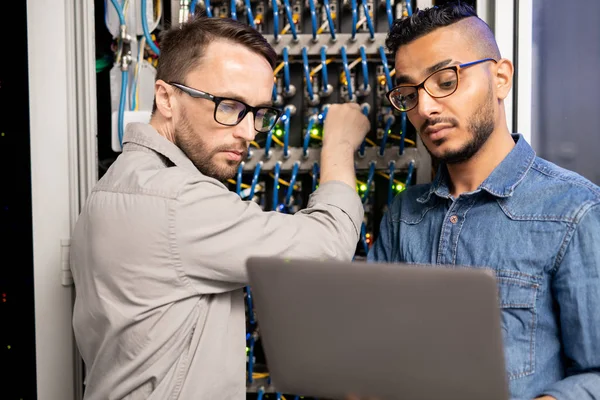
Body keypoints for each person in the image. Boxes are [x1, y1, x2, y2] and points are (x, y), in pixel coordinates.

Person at [70, 16, 370, 400]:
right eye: (229, 106)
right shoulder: (175, 201)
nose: (247, 133)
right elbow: (328, 246)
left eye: (259, 113)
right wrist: (340, 145)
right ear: (166, 98)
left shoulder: (115, 186)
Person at [368, 2, 600, 400]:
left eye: (445, 81)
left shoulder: (574, 210)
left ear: (501, 79)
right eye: (409, 93)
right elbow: (375, 352)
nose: (425, 108)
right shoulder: (403, 216)